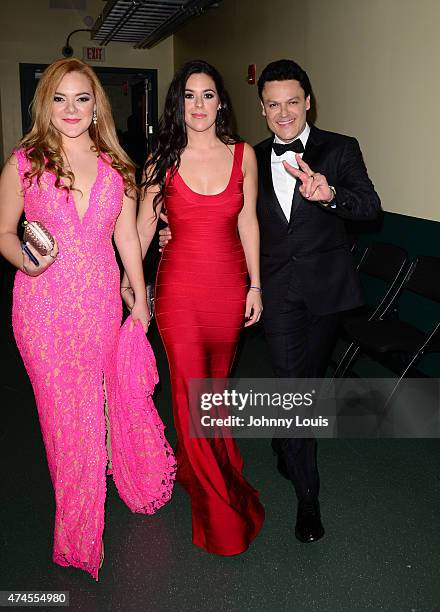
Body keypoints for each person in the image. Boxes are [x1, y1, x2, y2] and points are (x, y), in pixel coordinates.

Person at [160, 59, 381, 544]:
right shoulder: (248, 156)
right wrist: (171, 232)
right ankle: (308, 499)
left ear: (308, 103)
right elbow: (234, 222)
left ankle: (285, 440)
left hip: (326, 294)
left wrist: (331, 196)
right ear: (262, 109)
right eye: (274, 104)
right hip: (277, 294)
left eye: (293, 103)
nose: (284, 113)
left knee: (308, 382)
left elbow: (370, 206)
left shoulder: (340, 149)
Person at [0, 58, 152, 579]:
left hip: (101, 305)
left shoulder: (116, 163)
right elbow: (3, 233)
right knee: (64, 422)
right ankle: (77, 532)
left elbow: (127, 236)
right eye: (59, 98)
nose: (70, 109)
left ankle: (90, 510)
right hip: (41, 309)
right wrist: (26, 259)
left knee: (91, 413)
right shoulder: (26, 160)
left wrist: (141, 296)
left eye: (81, 98)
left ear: (96, 106)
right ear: (46, 103)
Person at [122, 59, 265, 555]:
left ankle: (206, 462)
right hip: (179, 291)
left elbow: (248, 222)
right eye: (189, 95)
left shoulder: (244, 155)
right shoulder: (162, 159)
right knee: (189, 392)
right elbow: (142, 228)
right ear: (177, 104)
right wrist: (133, 287)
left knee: (214, 392)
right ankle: (219, 513)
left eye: (207, 95)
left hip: (229, 289)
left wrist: (256, 285)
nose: (199, 105)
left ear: (221, 101)